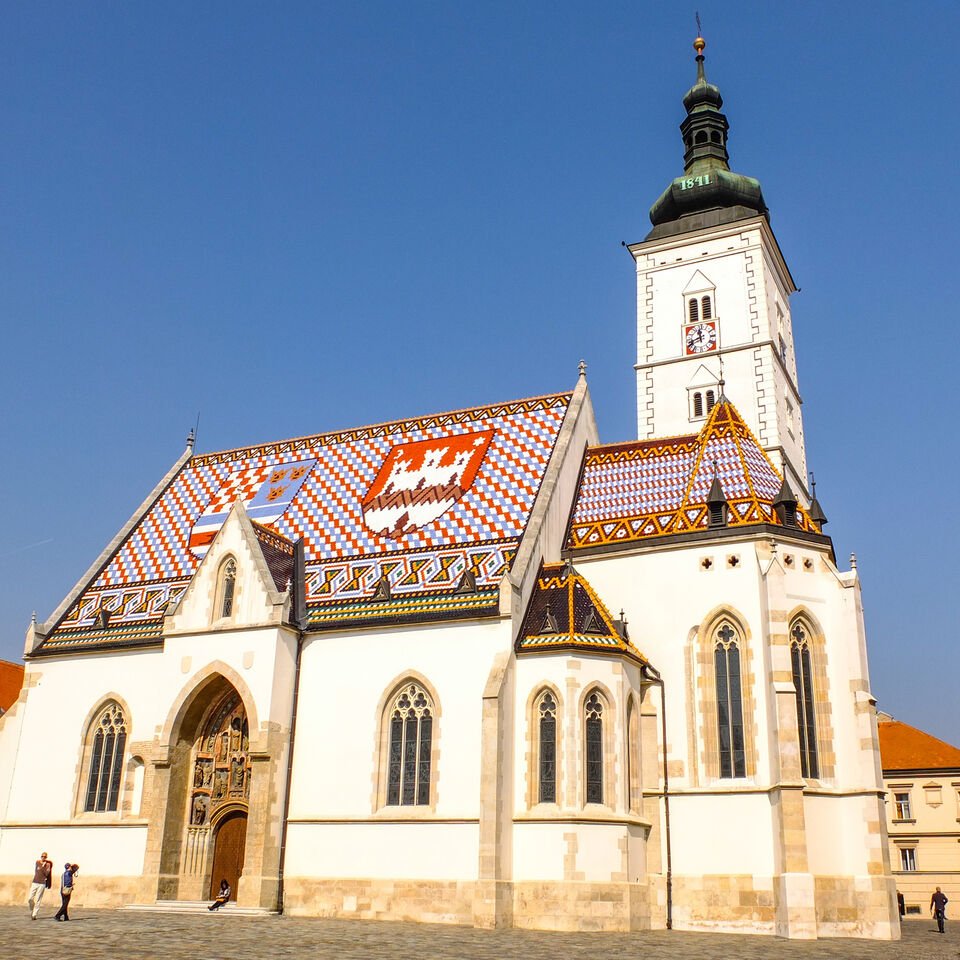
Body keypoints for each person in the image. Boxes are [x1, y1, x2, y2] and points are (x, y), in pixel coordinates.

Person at [27, 852, 53, 919]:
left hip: (42, 883)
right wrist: (42, 866)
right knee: (30, 898)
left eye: (45, 857)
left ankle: (34, 914)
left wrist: (44, 866)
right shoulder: (37, 862)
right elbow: (38, 870)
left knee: (38, 899)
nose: (43, 858)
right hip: (35, 882)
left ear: (46, 858)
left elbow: (46, 873)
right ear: (40, 856)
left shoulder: (48, 865)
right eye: (42, 856)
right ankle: (32, 909)